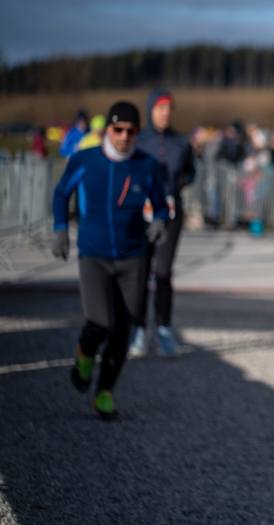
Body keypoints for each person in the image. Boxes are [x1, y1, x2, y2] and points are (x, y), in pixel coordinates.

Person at [51, 101, 169, 419]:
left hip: (133, 257)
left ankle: (104, 391)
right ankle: (85, 353)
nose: (124, 136)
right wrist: (60, 229)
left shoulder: (146, 165)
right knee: (100, 322)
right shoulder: (84, 159)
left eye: (131, 131)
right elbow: (61, 193)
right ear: (108, 130)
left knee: (123, 328)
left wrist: (161, 221)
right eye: (118, 130)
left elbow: (161, 204)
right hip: (94, 254)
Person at [130, 88, 196, 356]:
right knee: (139, 272)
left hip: (170, 214)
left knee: (164, 272)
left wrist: (179, 181)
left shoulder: (181, 143)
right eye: (161, 108)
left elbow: (191, 172)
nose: (166, 113)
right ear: (151, 110)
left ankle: (164, 329)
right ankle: (138, 328)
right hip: (141, 214)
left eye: (170, 108)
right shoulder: (137, 140)